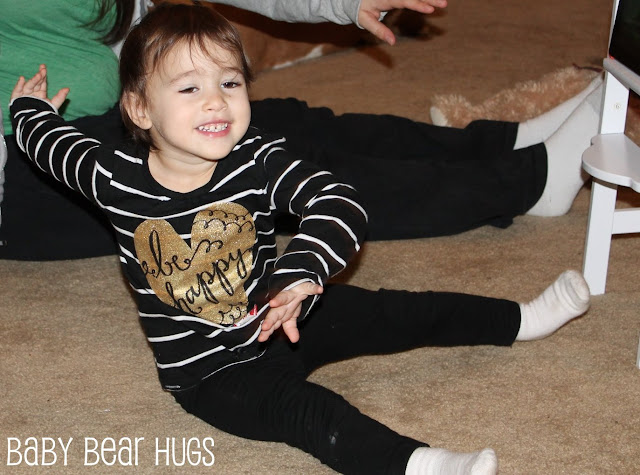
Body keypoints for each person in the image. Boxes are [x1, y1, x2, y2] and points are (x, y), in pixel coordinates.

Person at [10, 4, 591, 474]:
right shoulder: (113, 178)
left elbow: (338, 202)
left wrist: (299, 272)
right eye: (188, 89)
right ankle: (421, 465)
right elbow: (52, 147)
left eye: (230, 81)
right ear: (137, 108)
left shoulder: (258, 156)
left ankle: (519, 319)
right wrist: (28, 109)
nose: (216, 100)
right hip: (210, 372)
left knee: (400, 312)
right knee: (312, 415)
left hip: (287, 308)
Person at [0, 0, 603, 260]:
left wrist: (344, 2)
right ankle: (528, 184)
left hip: (112, 114)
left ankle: (501, 143)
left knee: (287, 121)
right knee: (277, 174)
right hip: (23, 177)